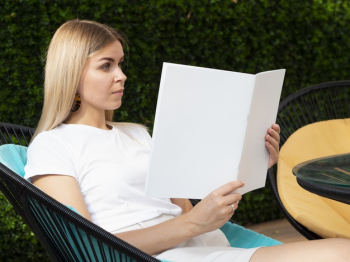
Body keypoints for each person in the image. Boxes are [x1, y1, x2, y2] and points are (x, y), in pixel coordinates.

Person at [24, 19, 350, 262]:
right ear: (72, 74)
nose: (121, 75)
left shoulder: (137, 133)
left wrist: (250, 166)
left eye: (120, 63)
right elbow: (85, 247)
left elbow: (187, 213)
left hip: (204, 245)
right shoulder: (53, 145)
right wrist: (193, 224)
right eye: (106, 66)